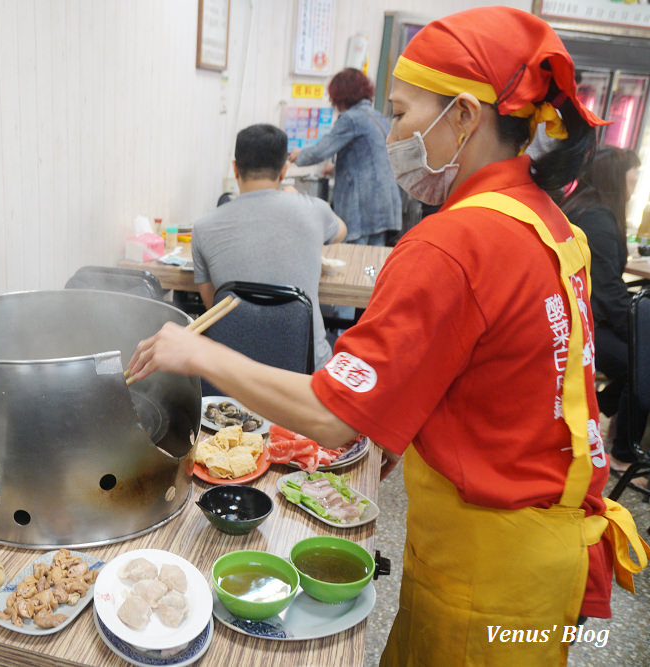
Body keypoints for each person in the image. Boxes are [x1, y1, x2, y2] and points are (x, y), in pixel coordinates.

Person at [129, 7, 648, 665]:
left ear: (464, 116)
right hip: (542, 556)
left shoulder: (456, 242)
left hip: (485, 570)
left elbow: (330, 415)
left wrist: (197, 350)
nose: (392, 133)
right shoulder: (547, 220)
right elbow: (493, 366)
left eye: (401, 114)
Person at [192, 123, 346, 368]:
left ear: (235, 169)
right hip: (304, 373)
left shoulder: (202, 228)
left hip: (233, 374)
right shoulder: (313, 210)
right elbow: (341, 231)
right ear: (284, 171)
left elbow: (214, 309)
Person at [562, 147, 644, 486]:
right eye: (633, 179)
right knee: (640, 362)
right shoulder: (599, 220)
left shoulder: (583, 205)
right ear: (617, 179)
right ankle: (624, 452)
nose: (635, 187)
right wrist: (638, 334)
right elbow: (610, 296)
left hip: (572, 313)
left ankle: (594, 410)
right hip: (580, 323)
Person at [288, 68, 402, 247]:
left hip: (363, 206)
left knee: (354, 259)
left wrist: (297, 155)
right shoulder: (377, 116)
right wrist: (337, 168)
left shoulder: (351, 118)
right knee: (371, 264)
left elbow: (321, 150)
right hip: (385, 205)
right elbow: (372, 157)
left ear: (340, 96)